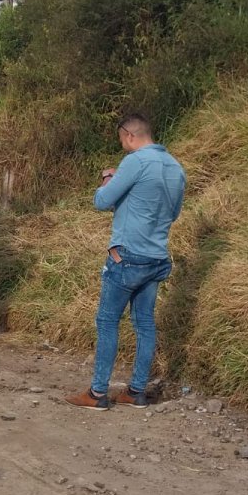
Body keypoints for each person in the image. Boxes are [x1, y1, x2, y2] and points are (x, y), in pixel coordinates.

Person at [65, 115, 187, 411]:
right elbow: (173, 213)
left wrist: (109, 177)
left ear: (129, 136)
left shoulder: (135, 161)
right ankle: (135, 392)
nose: (124, 147)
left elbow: (102, 201)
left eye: (122, 142)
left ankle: (96, 394)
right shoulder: (175, 166)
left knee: (107, 322)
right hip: (157, 257)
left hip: (128, 257)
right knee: (144, 323)